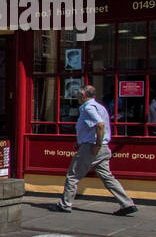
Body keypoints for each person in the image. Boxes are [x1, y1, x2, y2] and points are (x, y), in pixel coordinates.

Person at [52, 84, 138, 216]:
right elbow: (91, 128)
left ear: (83, 95)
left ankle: (65, 204)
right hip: (102, 148)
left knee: (73, 175)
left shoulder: (88, 107)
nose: (77, 98)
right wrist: (80, 141)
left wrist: (96, 144)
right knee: (107, 177)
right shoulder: (100, 107)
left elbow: (100, 124)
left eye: (78, 96)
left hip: (92, 148)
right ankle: (127, 203)